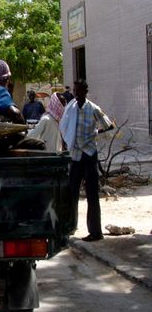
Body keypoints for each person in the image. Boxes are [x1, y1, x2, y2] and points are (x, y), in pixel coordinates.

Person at [59, 79, 114, 242]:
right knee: (72, 192)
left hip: (89, 154)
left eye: (78, 91)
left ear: (85, 91)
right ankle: (70, 227)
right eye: (74, 91)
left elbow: (109, 125)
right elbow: (65, 127)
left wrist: (95, 133)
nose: (76, 94)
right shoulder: (72, 107)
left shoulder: (93, 108)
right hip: (75, 155)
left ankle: (96, 232)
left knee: (92, 193)